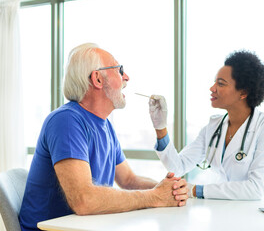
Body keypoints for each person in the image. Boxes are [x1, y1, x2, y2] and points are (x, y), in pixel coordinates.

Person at [19, 43, 188, 231]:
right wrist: (155, 196)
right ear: (97, 79)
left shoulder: (105, 125)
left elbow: (129, 180)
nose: (126, 77)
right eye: (119, 70)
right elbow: (84, 200)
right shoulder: (66, 121)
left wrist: (169, 189)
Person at [148, 50, 264, 200]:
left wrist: (194, 190)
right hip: (223, 211)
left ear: (243, 93)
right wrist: (161, 128)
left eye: (220, 84)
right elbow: (178, 167)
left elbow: (256, 189)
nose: (212, 88)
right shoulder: (214, 126)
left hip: (260, 214)